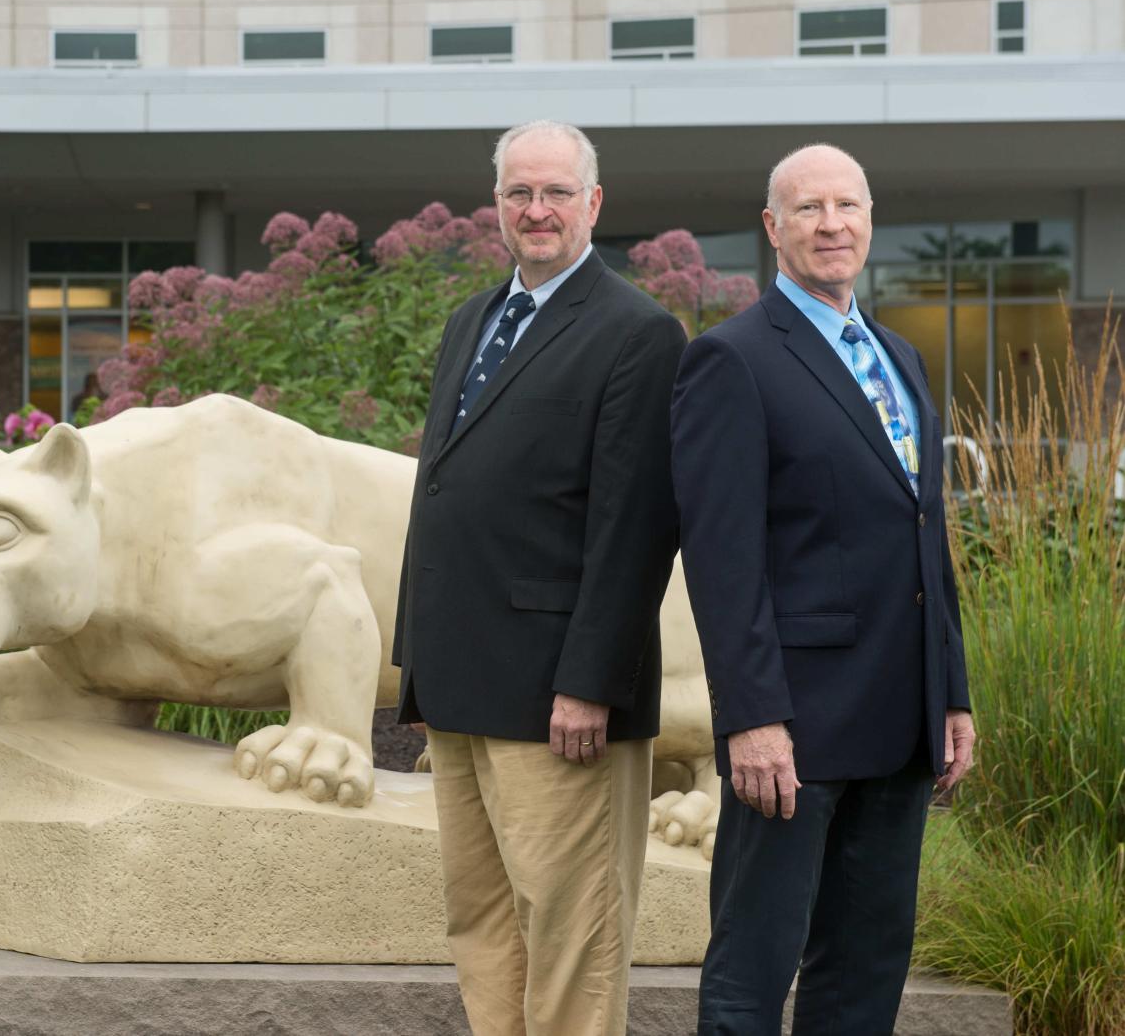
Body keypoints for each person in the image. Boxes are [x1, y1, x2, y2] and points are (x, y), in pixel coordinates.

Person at [670, 143, 977, 1035]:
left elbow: (927, 537)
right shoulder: (731, 360)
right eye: (809, 208)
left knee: (865, 970)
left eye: (848, 206)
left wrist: (951, 694)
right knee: (752, 971)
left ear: (870, 220)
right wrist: (751, 716)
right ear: (773, 228)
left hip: (899, 719)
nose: (831, 224)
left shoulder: (899, 358)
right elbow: (721, 561)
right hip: (793, 729)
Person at [393, 119, 686, 1036]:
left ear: (594, 203)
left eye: (557, 191)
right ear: (498, 206)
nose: (537, 208)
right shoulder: (470, 320)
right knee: (482, 924)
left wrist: (589, 683)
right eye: (520, 192)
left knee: (573, 936)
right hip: (462, 680)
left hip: (560, 697)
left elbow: (636, 526)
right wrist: (421, 669)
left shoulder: (639, 333)